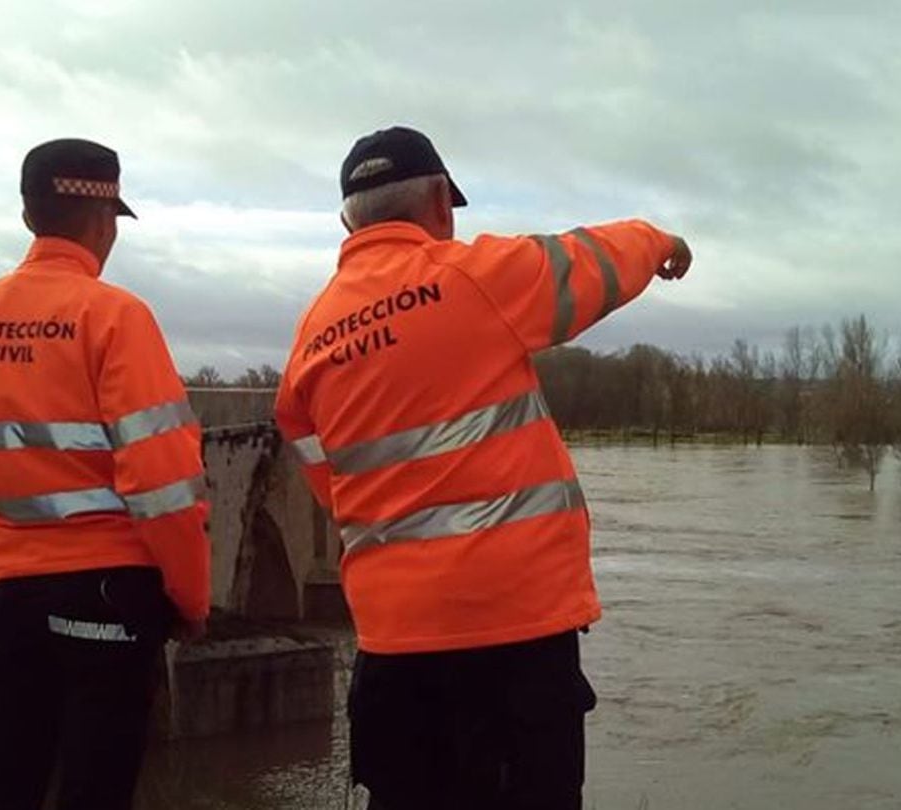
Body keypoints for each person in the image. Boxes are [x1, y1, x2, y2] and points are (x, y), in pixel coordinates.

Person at [275, 126, 692, 809]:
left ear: (348, 220)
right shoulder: (470, 278)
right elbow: (591, 260)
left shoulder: (313, 335)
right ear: (440, 201)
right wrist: (663, 242)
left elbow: (319, 464)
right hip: (512, 636)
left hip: (392, 643)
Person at [0, 138, 211, 810]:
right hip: (110, 596)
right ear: (106, 221)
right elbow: (164, 486)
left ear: (29, 217)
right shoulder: (115, 318)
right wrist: (189, 599)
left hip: (11, 598)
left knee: (6, 787)